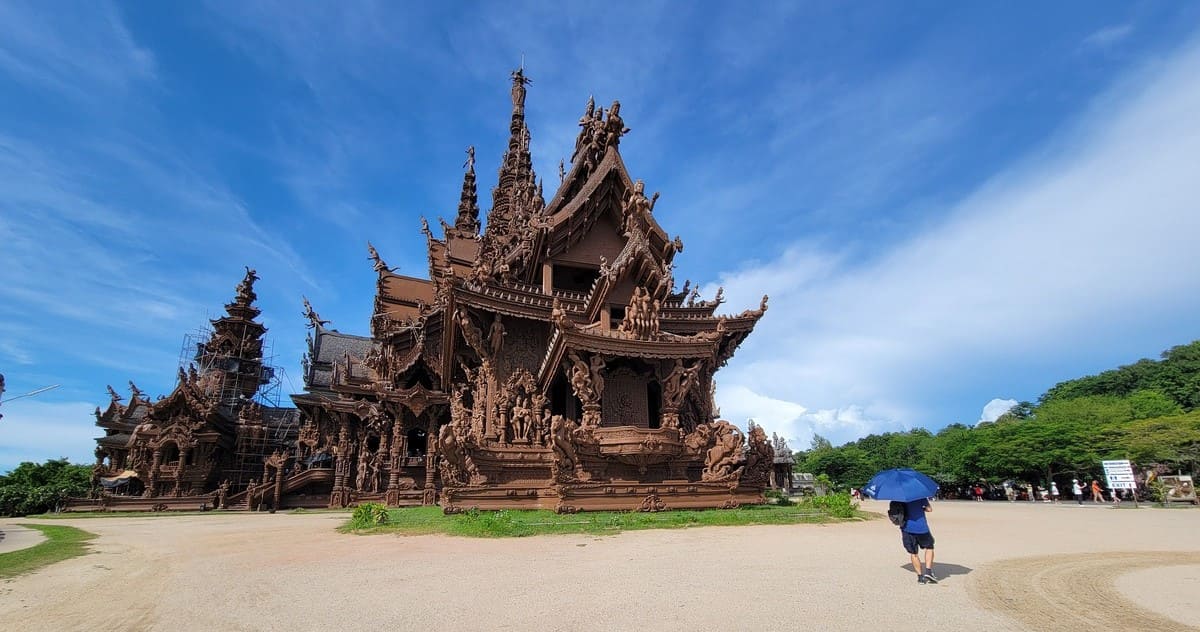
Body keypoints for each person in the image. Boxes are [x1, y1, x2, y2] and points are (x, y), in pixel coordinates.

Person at [900, 496, 938, 584]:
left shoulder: (899, 498)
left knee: (914, 553)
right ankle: (928, 571)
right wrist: (922, 508)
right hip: (921, 527)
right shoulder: (919, 496)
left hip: (907, 528)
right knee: (929, 547)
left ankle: (920, 577)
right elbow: (929, 509)